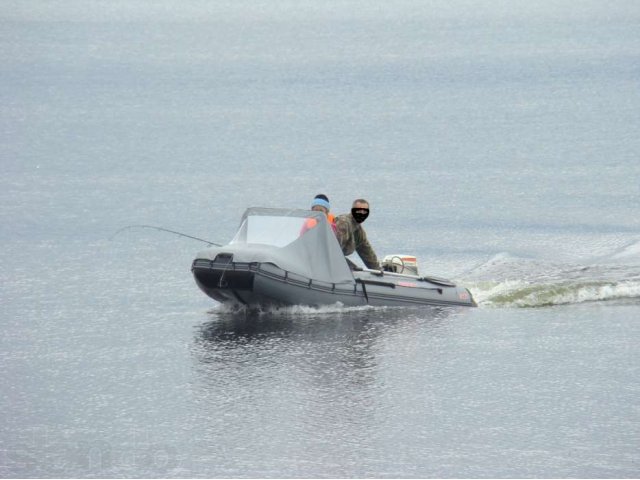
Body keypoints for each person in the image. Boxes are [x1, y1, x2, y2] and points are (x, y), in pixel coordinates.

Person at [335, 198, 380, 270]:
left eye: (364, 212)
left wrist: (378, 270)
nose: (361, 214)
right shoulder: (343, 223)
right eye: (359, 210)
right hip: (324, 257)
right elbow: (333, 249)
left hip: (334, 259)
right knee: (354, 269)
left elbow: (367, 254)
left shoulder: (359, 231)